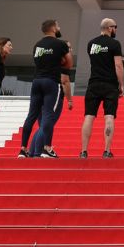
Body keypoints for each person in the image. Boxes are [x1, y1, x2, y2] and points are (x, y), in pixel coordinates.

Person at [25, 19, 74, 158]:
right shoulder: (59, 51)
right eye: (69, 49)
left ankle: (30, 150)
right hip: (52, 86)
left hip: (37, 83)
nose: (69, 51)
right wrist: (69, 100)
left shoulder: (38, 45)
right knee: (48, 121)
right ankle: (41, 150)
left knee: (39, 122)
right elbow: (65, 79)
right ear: (53, 28)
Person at [80, 19, 123, 158]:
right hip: (110, 85)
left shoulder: (91, 44)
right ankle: (107, 151)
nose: (116, 29)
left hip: (93, 84)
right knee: (109, 116)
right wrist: (121, 84)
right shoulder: (114, 44)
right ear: (110, 28)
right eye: (115, 27)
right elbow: (118, 65)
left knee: (89, 116)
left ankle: (84, 151)